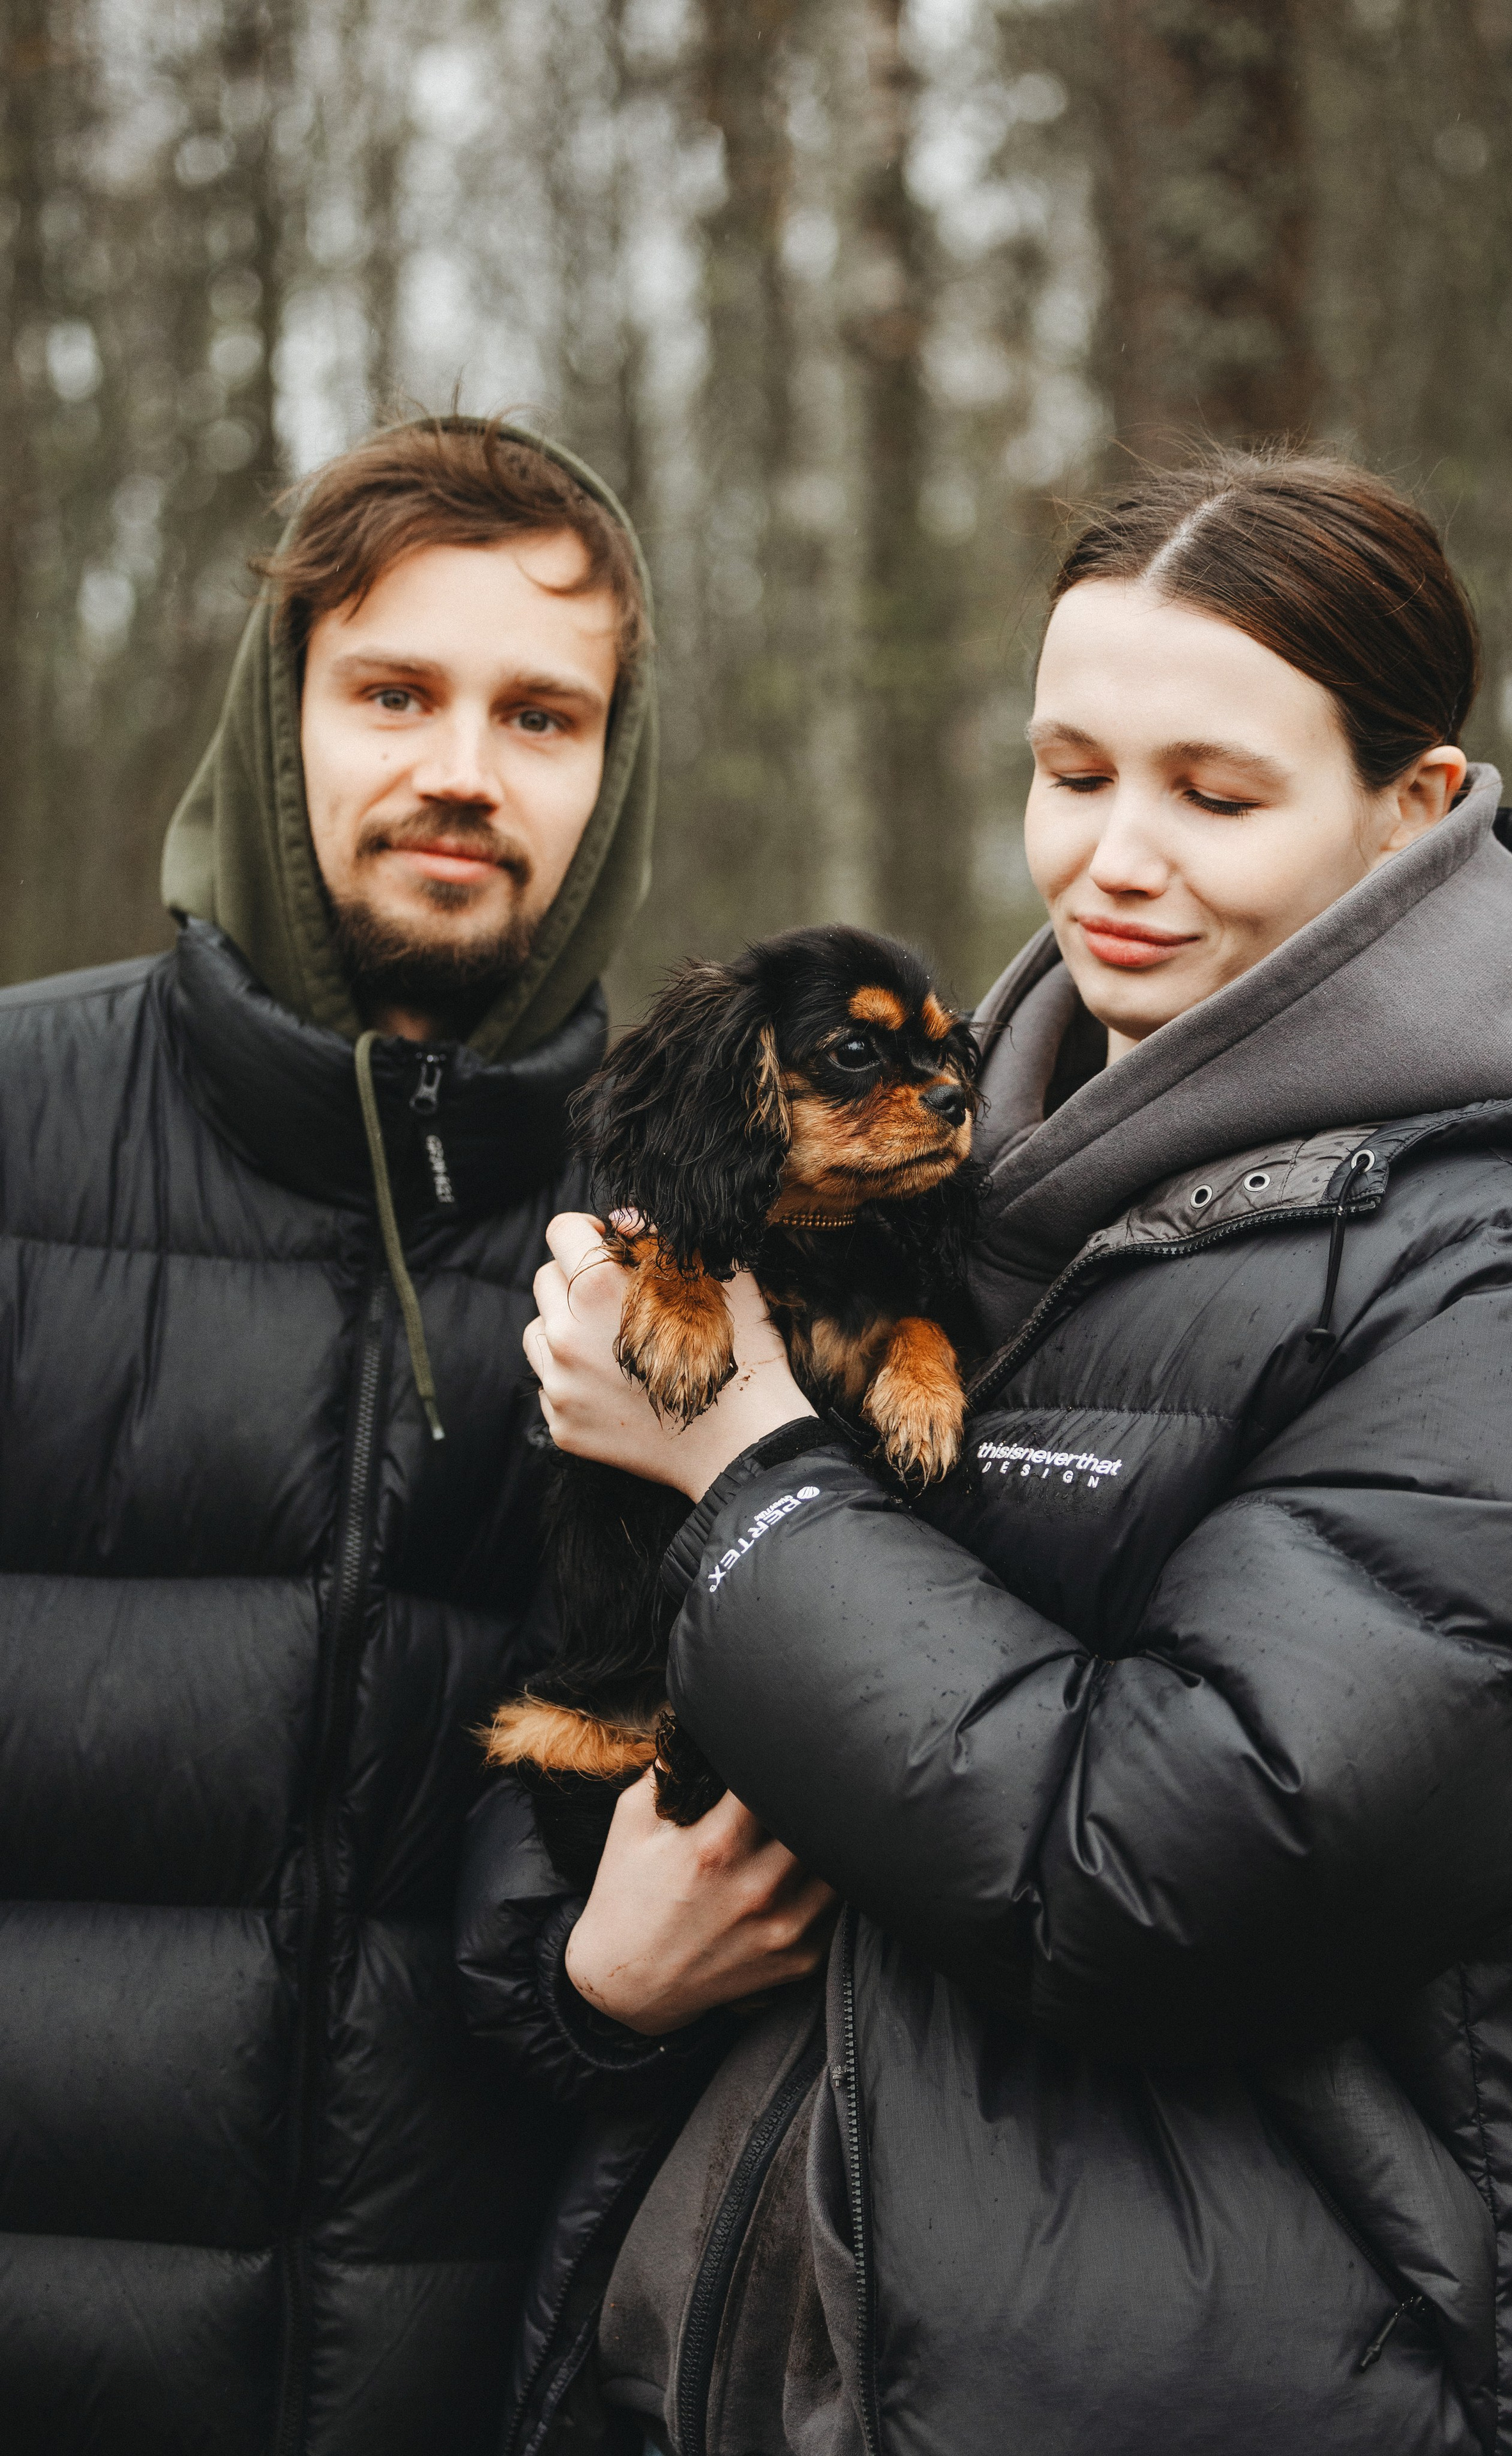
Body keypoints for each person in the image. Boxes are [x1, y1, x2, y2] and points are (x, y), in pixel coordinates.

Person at [465, 450, 1512, 2456]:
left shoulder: (1510, 1285)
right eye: (1070, 768)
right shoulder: (953, 1198)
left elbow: (1173, 1866)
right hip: (768, 2346)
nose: (1113, 858)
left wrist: (748, 1472)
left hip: (1260, 2373)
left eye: (1216, 791)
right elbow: (595, 1666)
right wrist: (589, 1973)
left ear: (1415, 812)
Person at [0, 413, 658, 2454]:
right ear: (277, 716)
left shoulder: (680, 1242)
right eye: (394, 692)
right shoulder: (20, 1128)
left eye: (540, 715)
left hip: (479, 2382)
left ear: (612, 772)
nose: (462, 769)